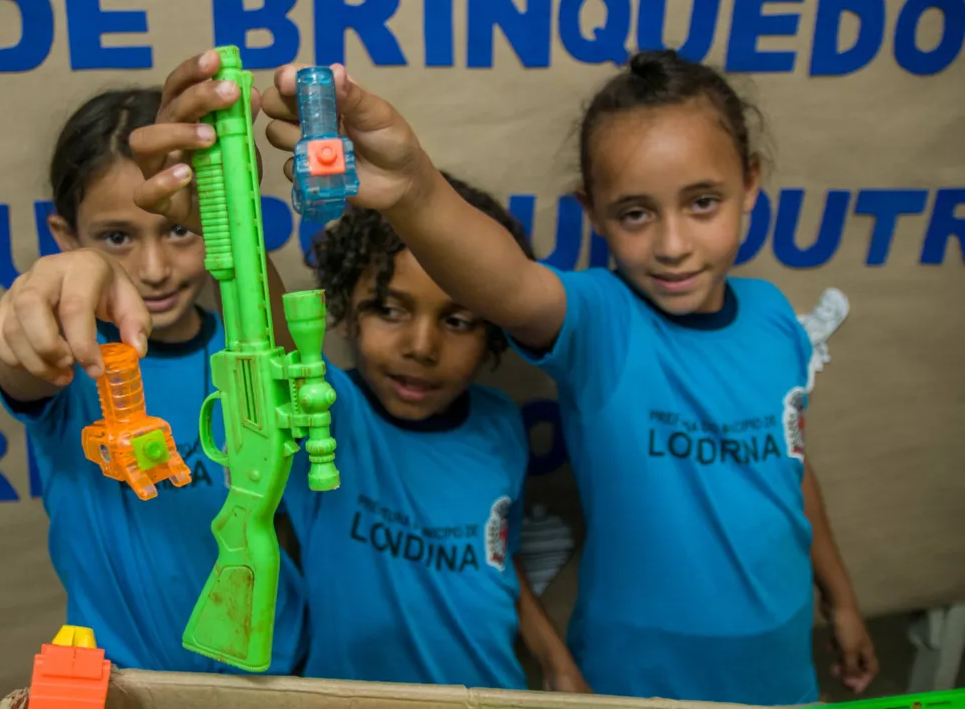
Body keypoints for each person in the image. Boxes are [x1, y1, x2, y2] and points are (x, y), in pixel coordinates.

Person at [256, 49, 878, 704]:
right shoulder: (602, 321)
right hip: (638, 670)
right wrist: (414, 188)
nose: (673, 243)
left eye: (702, 202)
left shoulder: (777, 319)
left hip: (780, 658)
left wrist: (839, 600)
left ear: (750, 182)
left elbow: (791, 466)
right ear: (594, 209)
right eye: (636, 213)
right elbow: (507, 280)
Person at [131, 132, 587, 688]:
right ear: (343, 314)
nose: (421, 346)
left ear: (495, 325)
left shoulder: (499, 424)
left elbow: (498, 558)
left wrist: (558, 663)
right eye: (390, 309)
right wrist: (226, 204)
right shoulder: (328, 411)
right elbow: (267, 326)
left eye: (459, 320)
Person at [0, 51, 307, 675]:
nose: (154, 269)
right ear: (64, 235)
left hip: (277, 670)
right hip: (121, 677)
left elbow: (282, 354)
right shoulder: (67, 361)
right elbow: (22, 361)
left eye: (178, 231)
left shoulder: (248, 345)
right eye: (116, 238)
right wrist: (63, 281)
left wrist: (231, 214)